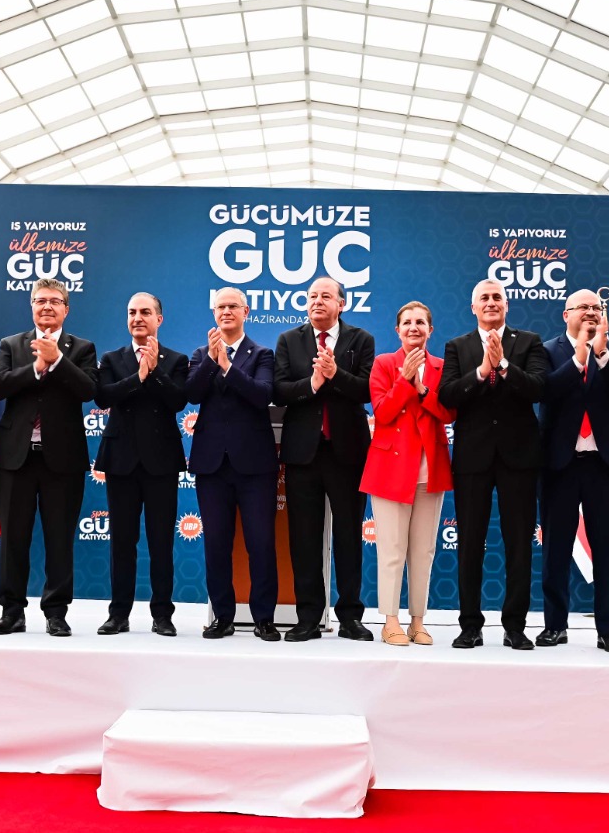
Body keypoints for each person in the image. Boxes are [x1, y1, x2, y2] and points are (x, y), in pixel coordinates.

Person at [437, 278, 547, 650]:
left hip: (519, 456)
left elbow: (538, 388)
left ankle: (515, 626)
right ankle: (470, 625)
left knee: (519, 544)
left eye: (497, 297)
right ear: (473, 307)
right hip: (473, 456)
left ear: (506, 304)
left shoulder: (529, 342)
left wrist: (503, 365)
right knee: (470, 543)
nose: (490, 302)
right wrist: (483, 371)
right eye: (483, 298)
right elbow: (448, 395)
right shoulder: (458, 346)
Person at [0, 278, 98, 636]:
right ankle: (11, 612)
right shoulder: (11, 344)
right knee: (13, 539)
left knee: (59, 539)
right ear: (31, 306)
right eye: (40, 300)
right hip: (15, 457)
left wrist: (57, 360)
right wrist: (36, 368)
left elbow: (88, 389)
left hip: (62, 459)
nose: (47, 306)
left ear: (66, 309)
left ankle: (56, 613)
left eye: (54, 301)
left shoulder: (82, 348)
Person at [273, 277, 376, 642]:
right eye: (312, 296)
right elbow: (280, 390)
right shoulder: (289, 340)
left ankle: (350, 617)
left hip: (347, 453)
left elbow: (367, 389)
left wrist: (335, 375)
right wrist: (313, 384)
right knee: (304, 539)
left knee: (348, 536)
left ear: (341, 304)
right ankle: (308, 617)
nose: (317, 301)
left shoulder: (361, 340)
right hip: (303, 454)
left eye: (326, 296)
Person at [540, 289, 609, 651]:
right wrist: (579, 358)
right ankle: (555, 626)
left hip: (604, 464)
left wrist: (599, 353)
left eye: (597, 307)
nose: (591, 312)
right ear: (566, 315)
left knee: (608, 550)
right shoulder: (546, 351)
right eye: (583, 307)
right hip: (559, 464)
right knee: (555, 551)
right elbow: (545, 390)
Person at [186, 288, 280, 641]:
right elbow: (191, 395)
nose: (226, 311)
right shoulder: (201, 354)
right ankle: (222, 617)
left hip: (255, 466)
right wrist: (213, 361)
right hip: (212, 466)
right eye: (220, 307)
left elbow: (262, 395)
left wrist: (227, 366)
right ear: (214, 313)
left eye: (232, 306)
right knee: (216, 545)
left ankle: (264, 618)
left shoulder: (263, 354)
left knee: (261, 543)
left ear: (246, 311)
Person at [359, 301, 454, 647]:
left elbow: (449, 413)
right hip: (390, 469)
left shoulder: (443, 367)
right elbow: (382, 412)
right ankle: (390, 621)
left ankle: (417, 621)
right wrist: (404, 380)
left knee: (423, 550)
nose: (414, 327)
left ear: (430, 330)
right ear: (397, 330)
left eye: (420, 322)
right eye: (407, 322)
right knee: (392, 549)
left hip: (431, 469)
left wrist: (422, 389)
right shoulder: (384, 363)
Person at [94, 293, 189, 637]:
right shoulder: (112, 358)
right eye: (132, 312)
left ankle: (162, 615)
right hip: (120, 460)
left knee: (161, 542)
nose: (137, 317)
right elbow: (103, 397)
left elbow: (178, 400)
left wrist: (155, 370)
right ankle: (118, 614)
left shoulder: (176, 360)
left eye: (145, 312)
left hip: (161, 462)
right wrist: (139, 376)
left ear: (158, 319)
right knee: (122, 542)